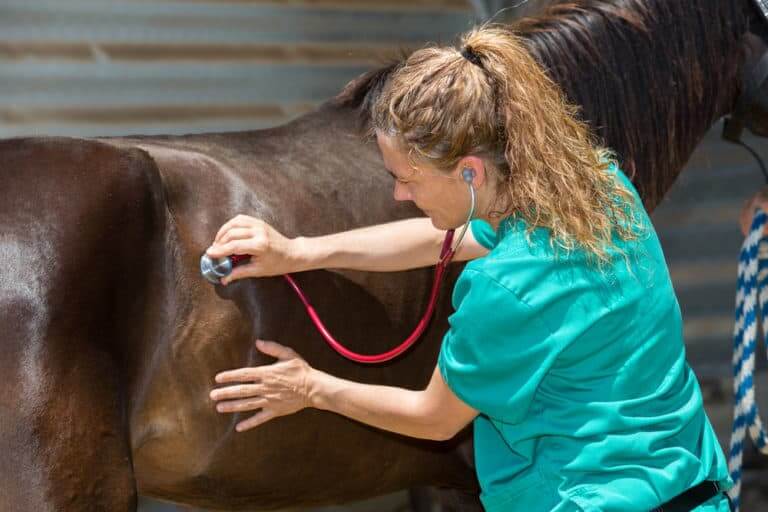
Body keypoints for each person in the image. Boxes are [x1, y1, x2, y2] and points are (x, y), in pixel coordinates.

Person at [206, 25, 733, 512]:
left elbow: (434, 418)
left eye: (408, 180)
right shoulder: (597, 185)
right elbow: (448, 238)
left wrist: (308, 387)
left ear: (470, 171)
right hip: (694, 488)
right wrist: (299, 251)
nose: (399, 194)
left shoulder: (506, 288)